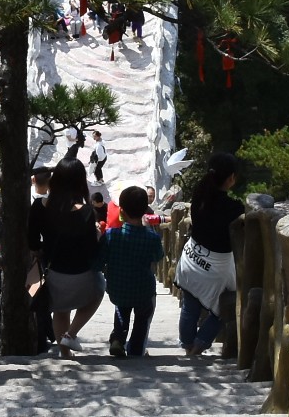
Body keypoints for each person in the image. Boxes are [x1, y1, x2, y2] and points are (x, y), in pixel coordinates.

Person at [172, 152, 245, 358]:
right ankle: (199, 345)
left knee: (189, 307)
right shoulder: (233, 208)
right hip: (215, 268)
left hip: (191, 259)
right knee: (224, 308)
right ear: (231, 178)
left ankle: (188, 347)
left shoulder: (199, 196)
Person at [29, 157, 103, 355]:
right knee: (99, 291)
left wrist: (43, 250)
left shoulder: (39, 206)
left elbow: (32, 241)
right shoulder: (86, 212)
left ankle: (65, 354)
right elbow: (91, 250)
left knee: (60, 311)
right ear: (80, 181)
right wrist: (97, 236)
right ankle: (71, 334)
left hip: (52, 271)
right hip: (81, 273)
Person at [99, 186, 163, 357]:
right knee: (142, 317)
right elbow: (158, 256)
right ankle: (136, 349)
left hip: (117, 287)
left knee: (122, 308)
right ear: (145, 210)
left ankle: (118, 339)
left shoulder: (111, 235)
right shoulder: (152, 237)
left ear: (121, 211)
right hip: (143, 288)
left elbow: (100, 259)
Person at [27, 166, 55, 348]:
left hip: (35, 253)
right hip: (49, 253)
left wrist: (35, 248)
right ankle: (47, 332)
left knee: (37, 294)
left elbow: (31, 230)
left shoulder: (28, 200)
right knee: (43, 294)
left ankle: (44, 332)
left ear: (33, 180)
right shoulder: (54, 202)